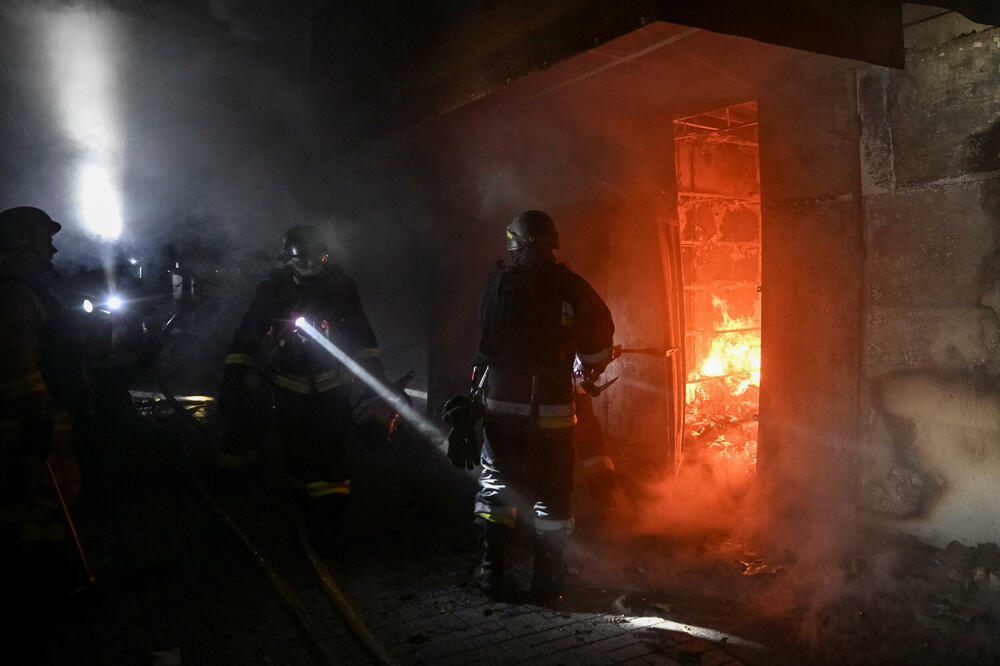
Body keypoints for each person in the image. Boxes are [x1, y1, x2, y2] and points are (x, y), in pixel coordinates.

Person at [471, 210, 615, 600]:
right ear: (552, 243)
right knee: (552, 496)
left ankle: (492, 577)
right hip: (551, 415)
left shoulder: (495, 284)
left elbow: (486, 344)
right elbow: (599, 341)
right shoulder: (571, 286)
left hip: (501, 408)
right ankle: (548, 583)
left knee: (498, 490)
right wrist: (589, 365)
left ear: (514, 245)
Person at [218, 225, 385, 550]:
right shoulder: (272, 291)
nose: (312, 266)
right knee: (296, 457)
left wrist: (374, 378)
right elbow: (247, 335)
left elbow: (362, 336)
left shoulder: (341, 287)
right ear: (289, 261)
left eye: (318, 259)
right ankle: (304, 520)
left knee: (332, 458)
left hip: (334, 388)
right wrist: (234, 375)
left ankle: (330, 526)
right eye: (304, 261)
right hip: (288, 388)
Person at [0, 206, 82, 598]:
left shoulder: (27, 289)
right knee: (46, 496)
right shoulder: (13, 295)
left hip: (37, 411)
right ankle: (44, 584)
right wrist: (38, 416)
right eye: (45, 242)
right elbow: (15, 364)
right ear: (22, 245)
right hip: (29, 417)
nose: (52, 251)